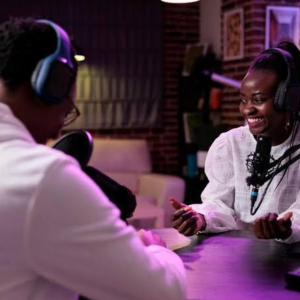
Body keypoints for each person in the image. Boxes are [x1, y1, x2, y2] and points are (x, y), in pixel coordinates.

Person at [0, 17, 186, 300]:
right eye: (68, 108)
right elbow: (164, 293)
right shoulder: (42, 178)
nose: (60, 127)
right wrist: (153, 247)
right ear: (50, 85)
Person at [171, 41, 300, 244]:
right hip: (240, 256)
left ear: (289, 100)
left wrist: (285, 227)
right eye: (243, 100)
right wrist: (200, 218)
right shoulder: (231, 144)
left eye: (258, 100)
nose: (246, 110)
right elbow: (219, 204)